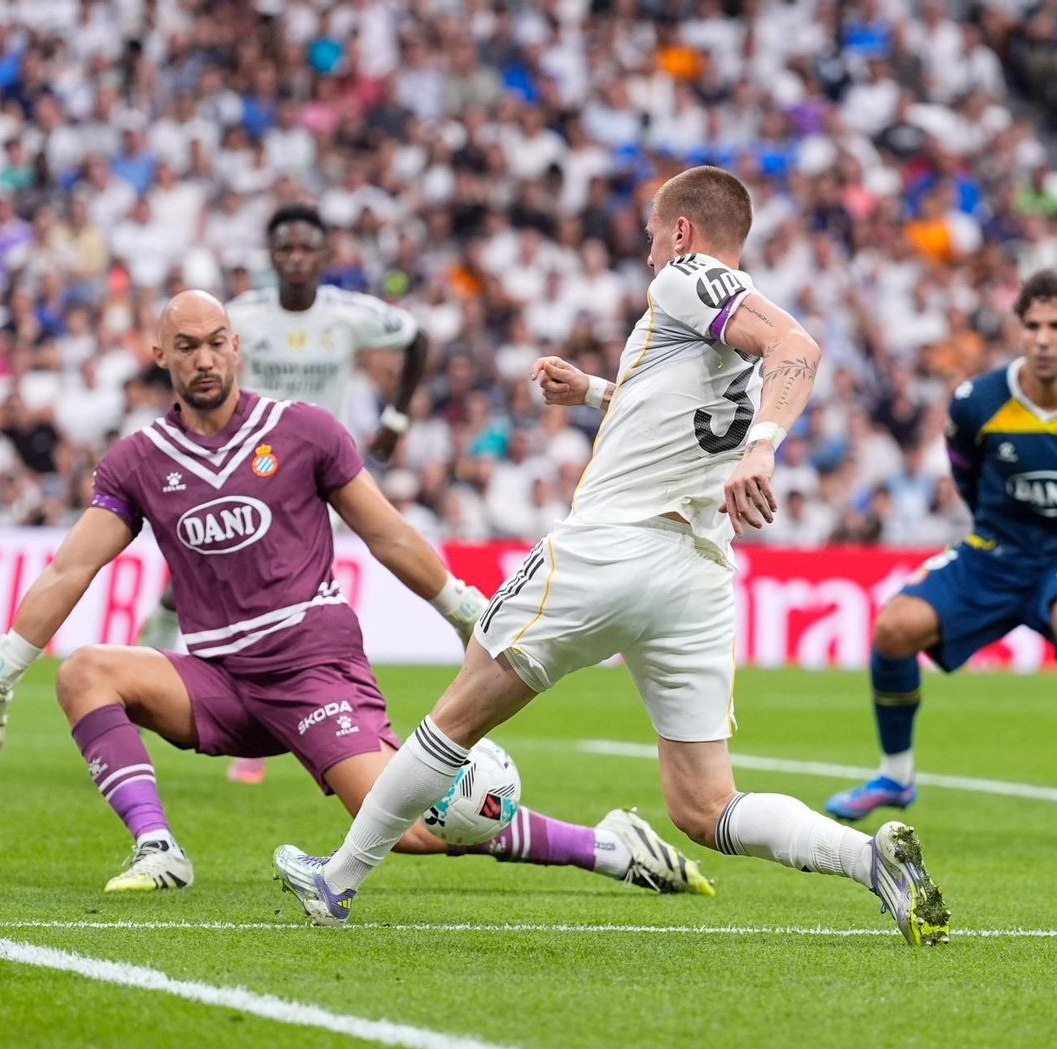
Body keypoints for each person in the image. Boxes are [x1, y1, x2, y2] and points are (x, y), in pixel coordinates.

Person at [272, 166, 951, 946]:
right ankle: (872, 863)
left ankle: (338, 880)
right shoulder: (711, 312)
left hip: (610, 545)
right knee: (705, 806)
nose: (650, 252)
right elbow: (688, 408)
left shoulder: (687, 280)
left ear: (684, 233)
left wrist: (762, 448)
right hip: (696, 573)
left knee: (454, 720)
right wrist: (595, 390)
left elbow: (797, 345)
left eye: (655, 234)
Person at [0, 290, 711, 897]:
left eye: (216, 343)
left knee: (411, 832)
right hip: (221, 680)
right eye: (186, 347)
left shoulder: (302, 430)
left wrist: (468, 609)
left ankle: (609, 847)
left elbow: (390, 534)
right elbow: (71, 568)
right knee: (84, 671)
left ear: (237, 347)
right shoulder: (136, 460)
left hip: (312, 669)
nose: (204, 359)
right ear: (160, 354)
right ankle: (158, 849)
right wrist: (0, 670)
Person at [825, 271, 1057, 845]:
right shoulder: (977, 401)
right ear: (1018, 331)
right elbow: (966, 476)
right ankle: (895, 776)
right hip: (993, 554)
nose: (1043, 339)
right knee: (894, 628)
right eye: (1032, 326)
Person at [136, 203, 431, 787]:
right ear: (271, 258)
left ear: (323, 256)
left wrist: (396, 421)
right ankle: (157, 650)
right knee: (206, 588)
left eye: (306, 249)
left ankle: (267, 729)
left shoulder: (349, 315)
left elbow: (418, 339)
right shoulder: (240, 318)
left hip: (318, 474)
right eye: (285, 249)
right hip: (241, 475)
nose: (296, 259)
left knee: (282, 600)